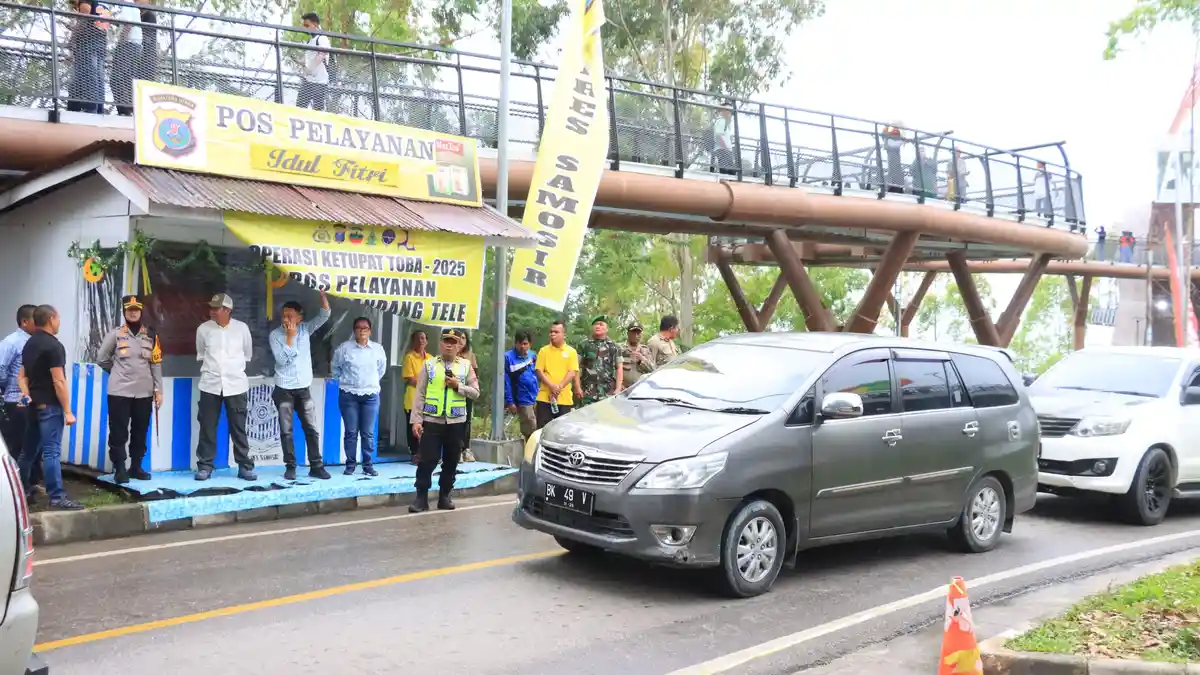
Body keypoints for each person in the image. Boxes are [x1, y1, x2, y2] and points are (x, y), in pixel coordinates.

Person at [17, 305, 81, 510]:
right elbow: (59, 381)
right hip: (50, 407)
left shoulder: (29, 344)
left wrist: (26, 394)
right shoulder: (54, 346)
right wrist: (68, 411)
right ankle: (57, 497)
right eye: (58, 318)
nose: (59, 322)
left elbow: (22, 377)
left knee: (27, 452)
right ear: (51, 319)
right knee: (51, 452)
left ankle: (21, 492)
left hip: (33, 405)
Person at [409, 330, 479, 512]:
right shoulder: (429, 365)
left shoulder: (466, 366)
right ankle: (421, 498)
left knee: (451, 461)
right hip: (432, 420)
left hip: (456, 422)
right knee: (426, 460)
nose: (449, 345)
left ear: (459, 346)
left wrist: (458, 386)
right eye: (446, 341)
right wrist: (416, 420)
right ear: (440, 344)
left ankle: (445, 496)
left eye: (453, 342)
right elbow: (420, 394)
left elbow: (476, 392)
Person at [96, 295, 162, 483]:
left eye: (136, 309)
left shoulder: (150, 335)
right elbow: (102, 359)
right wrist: (117, 372)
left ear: (141, 311)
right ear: (124, 312)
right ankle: (119, 468)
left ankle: (136, 467)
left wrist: (159, 390)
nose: (133, 312)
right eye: (129, 310)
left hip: (144, 392)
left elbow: (156, 364)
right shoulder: (115, 334)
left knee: (140, 430)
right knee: (118, 431)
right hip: (119, 392)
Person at [269, 292, 331, 481]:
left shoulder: (305, 329)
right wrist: (290, 337)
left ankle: (316, 466)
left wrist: (322, 293)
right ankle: (291, 467)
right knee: (286, 431)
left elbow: (325, 315)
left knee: (311, 429)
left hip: (303, 388)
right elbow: (282, 361)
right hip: (284, 389)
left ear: (300, 317)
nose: (286, 319)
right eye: (284, 315)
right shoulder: (275, 335)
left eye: (290, 316)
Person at [194, 293, 256, 481]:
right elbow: (201, 354)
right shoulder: (203, 329)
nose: (212, 311)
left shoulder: (242, 329)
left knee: (238, 427)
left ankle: (245, 466)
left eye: (217, 308)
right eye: (211, 308)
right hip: (210, 385)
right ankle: (205, 466)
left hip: (236, 385)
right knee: (207, 427)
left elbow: (247, 354)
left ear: (228, 310)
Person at [331, 316, 387, 476]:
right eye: (358, 328)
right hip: (349, 395)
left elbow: (381, 370)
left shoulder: (378, 349)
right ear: (354, 330)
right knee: (351, 432)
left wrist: (369, 382)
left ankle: (368, 465)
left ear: (370, 331)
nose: (362, 331)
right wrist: (345, 381)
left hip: (370, 396)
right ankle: (350, 464)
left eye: (365, 328)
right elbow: (335, 367)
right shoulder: (345, 348)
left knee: (368, 432)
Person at [0, 306, 39, 488]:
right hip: (15, 401)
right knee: (17, 446)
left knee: (32, 446)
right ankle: (15, 488)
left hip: (32, 401)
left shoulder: (35, 341)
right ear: (24, 322)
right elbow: (1, 369)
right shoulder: (12, 342)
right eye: (35, 320)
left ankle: (30, 483)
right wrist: (8, 388)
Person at [534, 320, 579, 429]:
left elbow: (572, 372)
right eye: (551, 332)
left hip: (564, 399)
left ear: (564, 334)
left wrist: (559, 387)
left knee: (562, 431)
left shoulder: (571, 352)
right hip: (545, 398)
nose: (552, 334)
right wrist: (552, 386)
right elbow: (539, 371)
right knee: (542, 430)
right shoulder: (543, 351)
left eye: (556, 332)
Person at [575, 316, 622, 406]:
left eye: (601, 324)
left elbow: (619, 368)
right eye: (596, 324)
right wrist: (577, 387)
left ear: (606, 329)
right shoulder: (584, 345)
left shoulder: (614, 346)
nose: (598, 326)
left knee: (605, 418)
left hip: (607, 392)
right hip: (587, 392)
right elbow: (575, 367)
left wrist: (618, 389)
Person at [108, 0, 145, 116]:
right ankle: (130, 108)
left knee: (117, 78)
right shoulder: (133, 7)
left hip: (128, 44)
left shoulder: (127, 4)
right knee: (128, 77)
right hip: (136, 46)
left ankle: (124, 109)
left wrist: (120, 42)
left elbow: (128, 25)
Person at [503, 330, 538, 443]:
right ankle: (529, 456)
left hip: (536, 397)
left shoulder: (533, 356)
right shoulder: (508, 357)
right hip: (522, 399)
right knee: (530, 429)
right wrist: (510, 401)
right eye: (520, 343)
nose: (523, 346)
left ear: (530, 344)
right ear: (516, 343)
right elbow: (506, 381)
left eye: (525, 344)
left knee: (538, 428)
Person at [400, 329, 428, 463]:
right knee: (412, 428)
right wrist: (427, 383)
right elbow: (410, 378)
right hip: (412, 398)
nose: (421, 341)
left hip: (428, 399)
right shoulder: (409, 357)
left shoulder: (431, 358)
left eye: (423, 338)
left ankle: (425, 453)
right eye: (418, 338)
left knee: (427, 427)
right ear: (413, 341)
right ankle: (414, 453)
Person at [297, 12, 329, 111]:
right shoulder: (311, 41)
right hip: (308, 80)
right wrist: (299, 61)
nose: (305, 28)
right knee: (300, 107)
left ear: (314, 24)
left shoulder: (322, 38)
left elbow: (322, 54)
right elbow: (308, 58)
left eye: (307, 25)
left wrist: (310, 68)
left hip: (319, 82)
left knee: (317, 110)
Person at [457, 329, 478, 462]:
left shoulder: (470, 355)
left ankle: (466, 449)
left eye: (464, 338)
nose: (461, 341)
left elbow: (475, 374)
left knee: (467, 421)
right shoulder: (450, 355)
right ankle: (456, 449)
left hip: (467, 391)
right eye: (459, 338)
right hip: (454, 392)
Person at [619, 321, 652, 390]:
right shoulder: (619, 349)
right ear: (628, 333)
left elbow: (652, 370)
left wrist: (642, 360)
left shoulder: (645, 350)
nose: (636, 335)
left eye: (638, 333)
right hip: (623, 390)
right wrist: (618, 385)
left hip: (641, 390)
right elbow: (612, 369)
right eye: (633, 333)